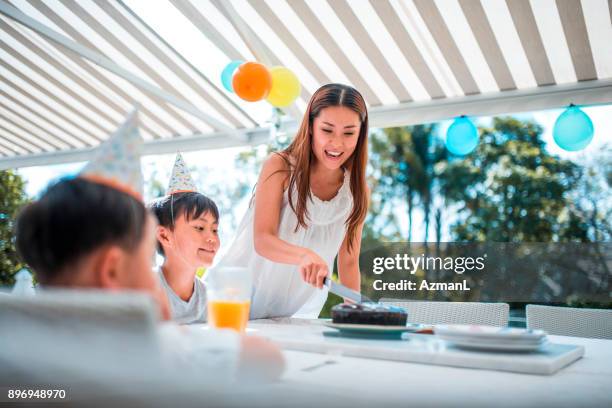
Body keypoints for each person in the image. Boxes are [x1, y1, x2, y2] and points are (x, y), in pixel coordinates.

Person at [208, 83, 370, 319]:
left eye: (348, 133)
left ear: (360, 133)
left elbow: (348, 260)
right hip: (236, 297)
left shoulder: (357, 190)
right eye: (327, 130)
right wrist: (304, 255)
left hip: (292, 311)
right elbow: (263, 240)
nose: (337, 143)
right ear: (311, 127)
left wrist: (358, 314)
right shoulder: (280, 166)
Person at [148, 153, 220, 324]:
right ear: (165, 235)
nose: (212, 238)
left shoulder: (210, 298)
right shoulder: (146, 289)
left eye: (215, 230)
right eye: (200, 228)